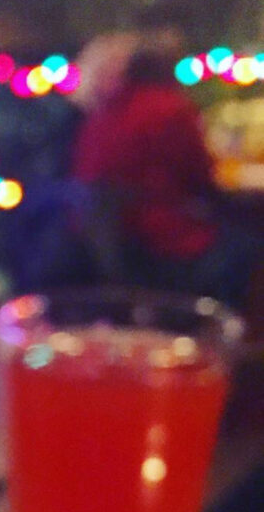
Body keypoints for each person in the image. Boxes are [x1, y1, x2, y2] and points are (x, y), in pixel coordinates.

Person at [70, 33, 264, 311]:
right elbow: (202, 175)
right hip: (161, 239)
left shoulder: (107, 109)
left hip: (101, 241)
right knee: (249, 245)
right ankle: (224, 331)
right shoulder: (172, 108)